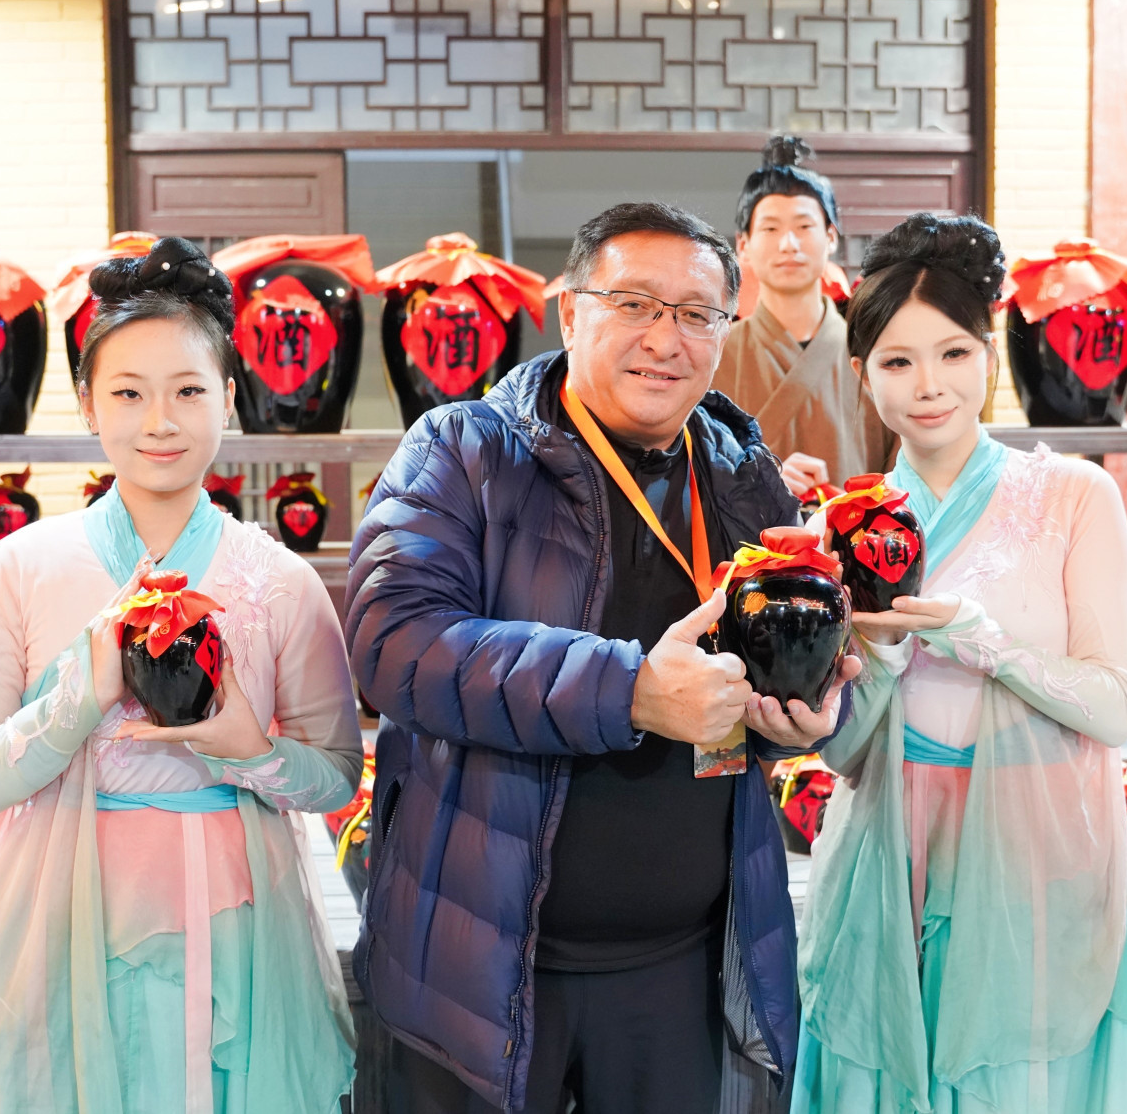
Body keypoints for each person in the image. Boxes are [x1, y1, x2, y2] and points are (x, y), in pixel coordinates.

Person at [346, 201, 863, 1114]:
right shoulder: (463, 450)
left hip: (685, 971)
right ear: (570, 312)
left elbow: (790, 653)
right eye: (635, 304)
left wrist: (802, 714)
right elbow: (395, 641)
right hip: (481, 971)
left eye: (697, 314)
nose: (666, 339)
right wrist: (629, 691)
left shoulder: (743, 474)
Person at [0, 237, 362, 1113]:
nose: (160, 420)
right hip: (61, 929)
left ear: (229, 400)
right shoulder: (18, 568)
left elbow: (338, 774)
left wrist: (253, 752)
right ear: (88, 402)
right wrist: (74, 705)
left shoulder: (282, 581)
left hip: (240, 933)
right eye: (128, 392)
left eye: (189, 391)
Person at [792, 213, 1127, 1113]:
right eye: (897, 361)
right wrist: (883, 651)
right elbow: (840, 753)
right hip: (887, 856)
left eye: (954, 353)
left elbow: (1114, 705)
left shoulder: (1075, 495)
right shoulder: (842, 522)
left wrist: (982, 640)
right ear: (862, 372)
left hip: (1034, 857)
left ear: (990, 354)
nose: (929, 385)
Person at [714, 135, 894, 494]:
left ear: (831, 237)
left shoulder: (877, 353)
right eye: (770, 228)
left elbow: (900, 476)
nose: (789, 244)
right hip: (745, 534)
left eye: (804, 227)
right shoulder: (713, 354)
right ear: (744, 245)